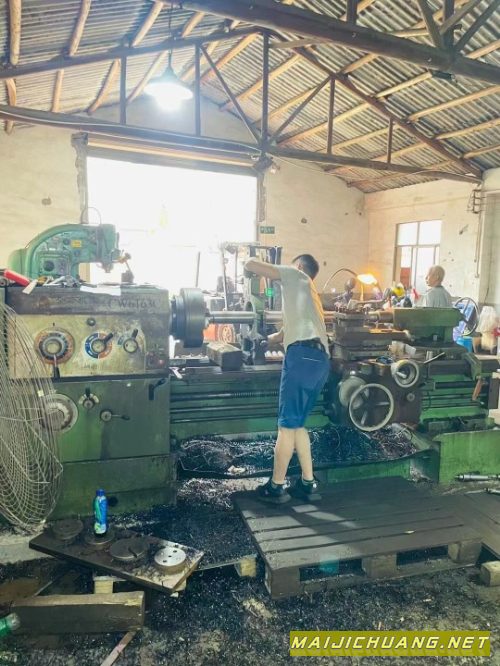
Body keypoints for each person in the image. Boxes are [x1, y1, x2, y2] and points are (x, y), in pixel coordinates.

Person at [244, 254, 330, 504]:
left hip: (302, 358)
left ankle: (276, 486)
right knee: (297, 424)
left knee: (286, 426)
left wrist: (250, 260)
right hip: (320, 361)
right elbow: (284, 332)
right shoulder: (310, 294)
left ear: (300, 267)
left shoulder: (296, 274)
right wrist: (265, 340)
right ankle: (308, 483)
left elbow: (251, 265)